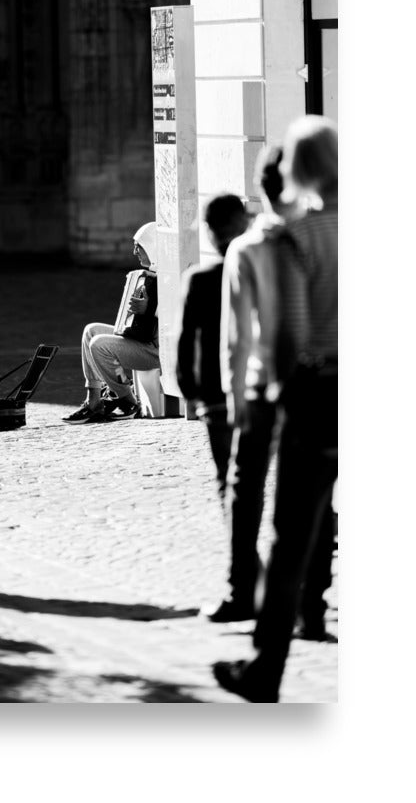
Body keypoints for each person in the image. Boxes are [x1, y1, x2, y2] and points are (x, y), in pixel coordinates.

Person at [213, 115, 338, 702]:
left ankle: (266, 668)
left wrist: (281, 392)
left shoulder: (297, 237)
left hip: (318, 390)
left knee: (291, 532)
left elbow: (291, 331)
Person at [175, 194, 249, 618]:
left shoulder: (201, 280)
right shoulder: (260, 270)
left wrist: (190, 389)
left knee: (231, 485)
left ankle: (244, 582)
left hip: (218, 399)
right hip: (259, 393)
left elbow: (186, 344)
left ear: (209, 233)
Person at [63, 222, 161, 425]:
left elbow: (180, 310)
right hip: (144, 340)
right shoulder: (150, 275)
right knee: (91, 330)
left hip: (158, 350)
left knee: (99, 344)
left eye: (139, 246)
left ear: (152, 247)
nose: (134, 251)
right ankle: (94, 401)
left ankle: (129, 402)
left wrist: (149, 310)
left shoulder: (170, 276)